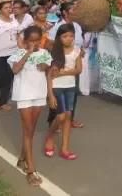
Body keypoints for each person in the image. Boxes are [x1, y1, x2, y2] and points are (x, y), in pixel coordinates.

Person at [9, 25, 52, 185]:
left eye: (37, 40)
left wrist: (46, 67)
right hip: (24, 95)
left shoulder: (45, 53)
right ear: (25, 40)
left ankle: (22, 159)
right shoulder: (18, 53)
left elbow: (49, 68)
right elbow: (15, 70)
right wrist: (27, 52)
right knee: (27, 128)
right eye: (31, 40)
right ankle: (30, 169)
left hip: (39, 94)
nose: (35, 43)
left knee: (31, 129)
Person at [45, 24, 83, 160]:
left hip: (70, 86)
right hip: (56, 87)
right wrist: (50, 95)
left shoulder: (76, 50)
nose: (68, 39)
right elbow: (49, 75)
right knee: (60, 117)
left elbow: (79, 69)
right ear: (59, 37)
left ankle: (65, 148)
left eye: (71, 36)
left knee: (68, 116)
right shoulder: (54, 52)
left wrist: (64, 73)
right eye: (65, 36)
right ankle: (50, 136)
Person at [46, 1, 85, 129]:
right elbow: (48, 44)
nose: (76, 11)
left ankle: (70, 119)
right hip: (60, 63)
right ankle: (54, 120)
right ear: (64, 12)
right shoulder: (57, 27)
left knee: (72, 94)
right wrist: (61, 53)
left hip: (74, 62)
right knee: (57, 94)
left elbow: (78, 44)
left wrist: (79, 51)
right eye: (73, 9)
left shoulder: (77, 26)